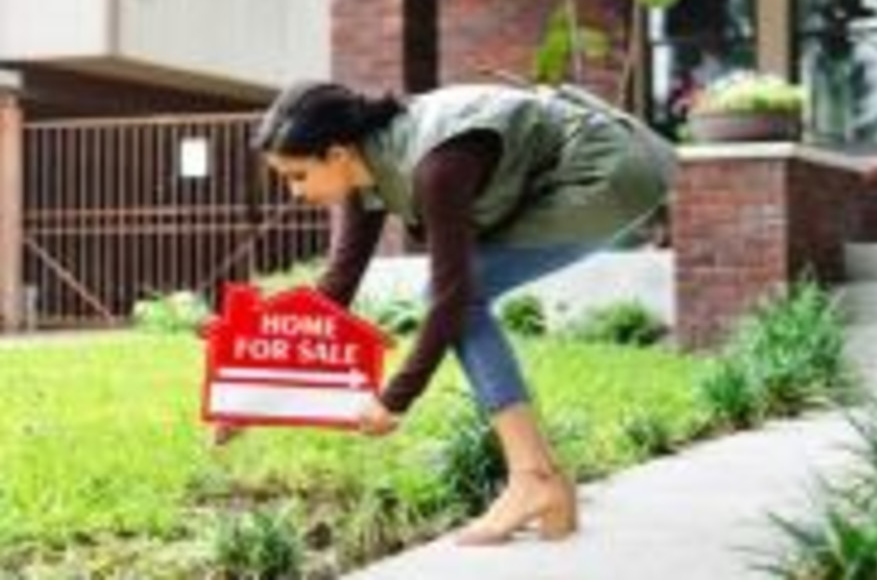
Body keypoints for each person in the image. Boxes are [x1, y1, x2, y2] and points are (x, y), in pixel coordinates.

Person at [218, 80, 675, 546]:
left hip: (605, 171)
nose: (295, 193)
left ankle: (535, 478)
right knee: (461, 291)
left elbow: (450, 299)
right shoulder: (367, 168)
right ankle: (543, 486)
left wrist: (395, 397)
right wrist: (254, 394)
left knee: (461, 294)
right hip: (561, 173)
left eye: (297, 175)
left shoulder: (436, 168)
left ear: (337, 154)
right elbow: (335, 291)